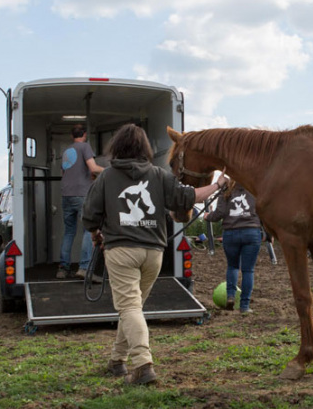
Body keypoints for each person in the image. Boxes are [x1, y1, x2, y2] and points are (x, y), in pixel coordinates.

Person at [83, 123, 227, 385]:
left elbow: (90, 215)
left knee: (129, 307)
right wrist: (218, 184)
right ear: (144, 149)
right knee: (133, 308)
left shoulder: (106, 177)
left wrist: (96, 235)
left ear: (116, 147)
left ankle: (143, 365)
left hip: (121, 251)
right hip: (153, 254)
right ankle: (117, 360)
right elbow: (189, 197)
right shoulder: (159, 175)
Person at [204, 181, 262, 314]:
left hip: (231, 233)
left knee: (233, 266)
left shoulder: (226, 189)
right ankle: (245, 306)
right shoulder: (254, 187)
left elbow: (219, 213)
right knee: (248, 270)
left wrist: (208, 216)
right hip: (251, 232)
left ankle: (230, 296)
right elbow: (264, 210)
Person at [58, 124, 104, 280]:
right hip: (81, 194)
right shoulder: (84, 147)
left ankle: (63, 268)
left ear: (72, 136)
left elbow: (64, 173)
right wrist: (109, 171)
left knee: (69, 231)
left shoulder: (66, 151)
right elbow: (93, 168)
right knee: (88, 229)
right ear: (84, 134)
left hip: (66, 195)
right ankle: (84, 268)